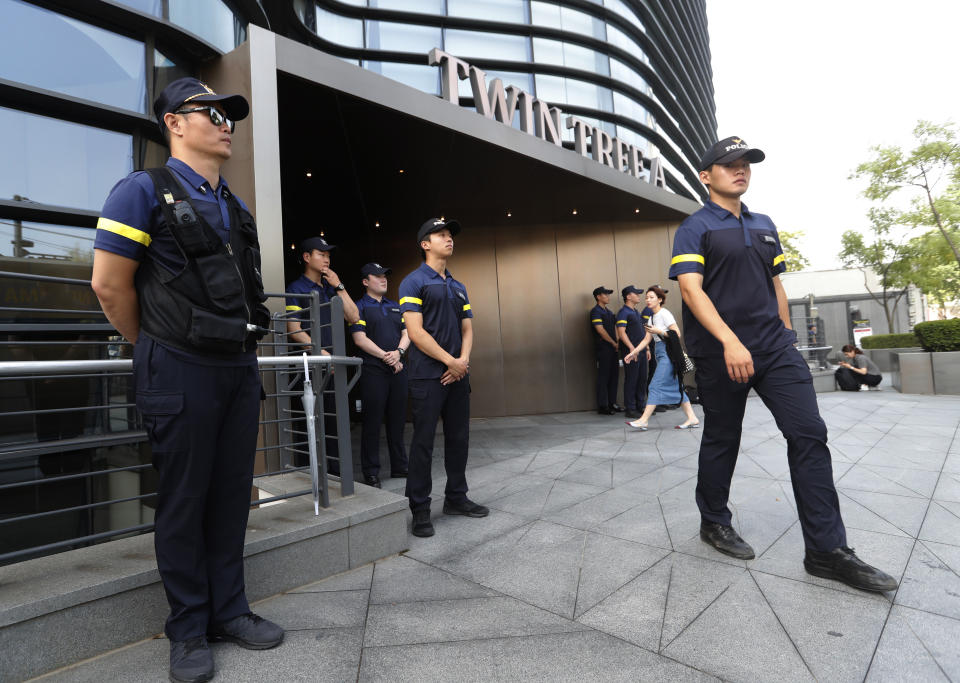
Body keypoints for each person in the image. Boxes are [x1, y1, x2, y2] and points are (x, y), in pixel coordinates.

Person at [91, 77, 284, 683]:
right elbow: (108, 284)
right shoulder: (141, 191)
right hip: (177, 364)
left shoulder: (233, 202)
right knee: (183, 501)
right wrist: (149, 346)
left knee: (231, 495)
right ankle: (189, 629)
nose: (226, 122)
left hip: (235, 366)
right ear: (175, 122)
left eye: (231, 115)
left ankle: (231, 611)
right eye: (212, 112)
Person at [669, 135, 896, 592]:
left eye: (747, 163)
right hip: (722, 353)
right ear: (705, 175)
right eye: (729, 163)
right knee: (722, 437)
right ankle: (714, 521)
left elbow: (775, 286)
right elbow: (691, 291)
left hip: (774, 350)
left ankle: (827, 551)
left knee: (809, 433)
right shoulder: (695, 228)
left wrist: (787, 336)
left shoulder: (765, 224)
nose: (741, 169)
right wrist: (731, 343)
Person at [399, 218, 488, 538]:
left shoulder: (457, 285)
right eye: (441, 235)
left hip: (458, 374)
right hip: (427, 376)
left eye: (451, 235)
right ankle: (420, 509)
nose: (449, 239)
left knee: (459, 438)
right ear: (425, 244)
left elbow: (468, 328)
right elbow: (415, 332)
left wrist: (462, 362)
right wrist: (450, 361)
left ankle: (456, 498)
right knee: (423, 443)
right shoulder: (413, 282)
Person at [285, 237, 360, 474]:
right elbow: (294, 329)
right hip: (310, 367)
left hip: (334, 366)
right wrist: (322, 353)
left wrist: (339, 285)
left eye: (329, 255)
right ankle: (312, 476)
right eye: (321, 254)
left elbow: (354, 317)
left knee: (335, 422)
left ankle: (337, 475)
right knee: (311, 422)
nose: (327, 259)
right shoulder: (296, 288)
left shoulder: (330, 288)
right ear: (307, 257)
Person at [350, 263, 410, 488]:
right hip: (373, 371)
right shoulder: (359, 307)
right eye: (377, 276)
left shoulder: (395, 306)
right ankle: (371, 472)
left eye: (385, 275)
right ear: (366, 282)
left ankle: (400, 465)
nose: (383, 279)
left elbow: (407, 333)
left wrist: (399, 353)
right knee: (372, 423)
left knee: (397, 421)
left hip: (398, 370)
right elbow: (360, 339)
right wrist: (387, 356)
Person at [626, 286, 700, 429]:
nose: (648, 300)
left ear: (660, 299)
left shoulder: (664, 314)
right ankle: (692, 418)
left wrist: (659, 331)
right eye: (647, 297)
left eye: (652, 297)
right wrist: (634, 352)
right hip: (660, 353)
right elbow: (646, 339)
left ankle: (643, 420)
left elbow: (676, 333)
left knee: (654, 385)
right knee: (678, 387)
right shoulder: (651, 317)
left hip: (668, 354)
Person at [616, 286, 653, 418]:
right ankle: (630, 409)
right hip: (631, 352)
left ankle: (640, 406)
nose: (639, 295)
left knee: (642, 379)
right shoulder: (623, 312)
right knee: (632, 379)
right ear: (628, 296)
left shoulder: (636, 312)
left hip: (642, 351)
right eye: (636, 293)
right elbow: (621, 332)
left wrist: (647, 348)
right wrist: (632, 349)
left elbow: (643, 332)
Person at [590, 286, 621, 415]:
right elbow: (600, 330)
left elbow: (615, 327)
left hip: (614, 348)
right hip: (604, 349)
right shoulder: (595, 311)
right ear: (598, 297)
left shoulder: (609, 312)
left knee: (614, 376)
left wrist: (618, 341)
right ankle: (603, 406)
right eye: (605, 294)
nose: (608, 297)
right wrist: (613, 342)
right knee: (604, 377)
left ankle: (611, 403)